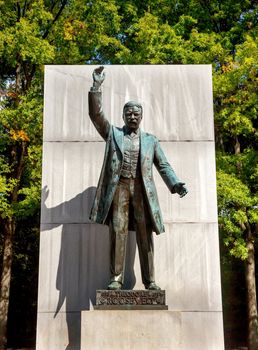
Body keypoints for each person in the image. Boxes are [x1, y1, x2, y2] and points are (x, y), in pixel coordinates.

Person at [88, 66, 188, 290]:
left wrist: (175, 183)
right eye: (129, 113)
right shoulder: (113, 134)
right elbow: (96, 115)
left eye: (136, 114)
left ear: (141, 117)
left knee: (145, 234)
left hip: (143, 191)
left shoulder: (151, 140)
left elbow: (162, 164)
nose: (133, 117)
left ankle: (150, 280)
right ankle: (116, 278)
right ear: (123, 116)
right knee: (118, 231)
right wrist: (96, 87)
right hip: (119, 188)